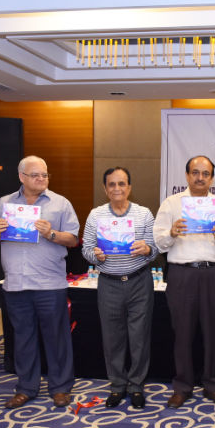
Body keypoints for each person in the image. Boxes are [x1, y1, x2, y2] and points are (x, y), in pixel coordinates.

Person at [0, 156, 79, 409]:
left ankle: (60, 387)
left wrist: (51, 233)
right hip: (16, 283)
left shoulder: (60, 203)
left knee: (56, 338)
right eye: (36, 175)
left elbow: (73, 239)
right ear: (21, 177)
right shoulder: (5, 203)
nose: (42, 179)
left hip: (49, 284)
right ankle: (26, 388)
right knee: (23, 338)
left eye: (45, 175)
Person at [153, 156, 215, 409]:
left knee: (213, 332)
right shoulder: (171, 204)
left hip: (213, 273)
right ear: (187, 175)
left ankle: (212, 384)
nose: (200, 178)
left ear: (212, 178)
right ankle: (182, 386)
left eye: (205, 173)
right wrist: (171, 233)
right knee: (182, 332)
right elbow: (159, 243)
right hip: (182, 274)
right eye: (195, 172)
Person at [82, 167, 157, 410]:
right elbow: (86, 249)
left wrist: (147, 249)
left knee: (139, 337)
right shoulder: (96, 215)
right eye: (112, 184)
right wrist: (95, 255)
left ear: (129, 187)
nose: (117, 188)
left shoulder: (144, 214)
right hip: (109, 283)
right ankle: (117, 385)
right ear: (105, 189)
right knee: (112, 337)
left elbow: (155, 249)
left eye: (122, 184)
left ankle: (136, 386)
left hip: (139, 281)